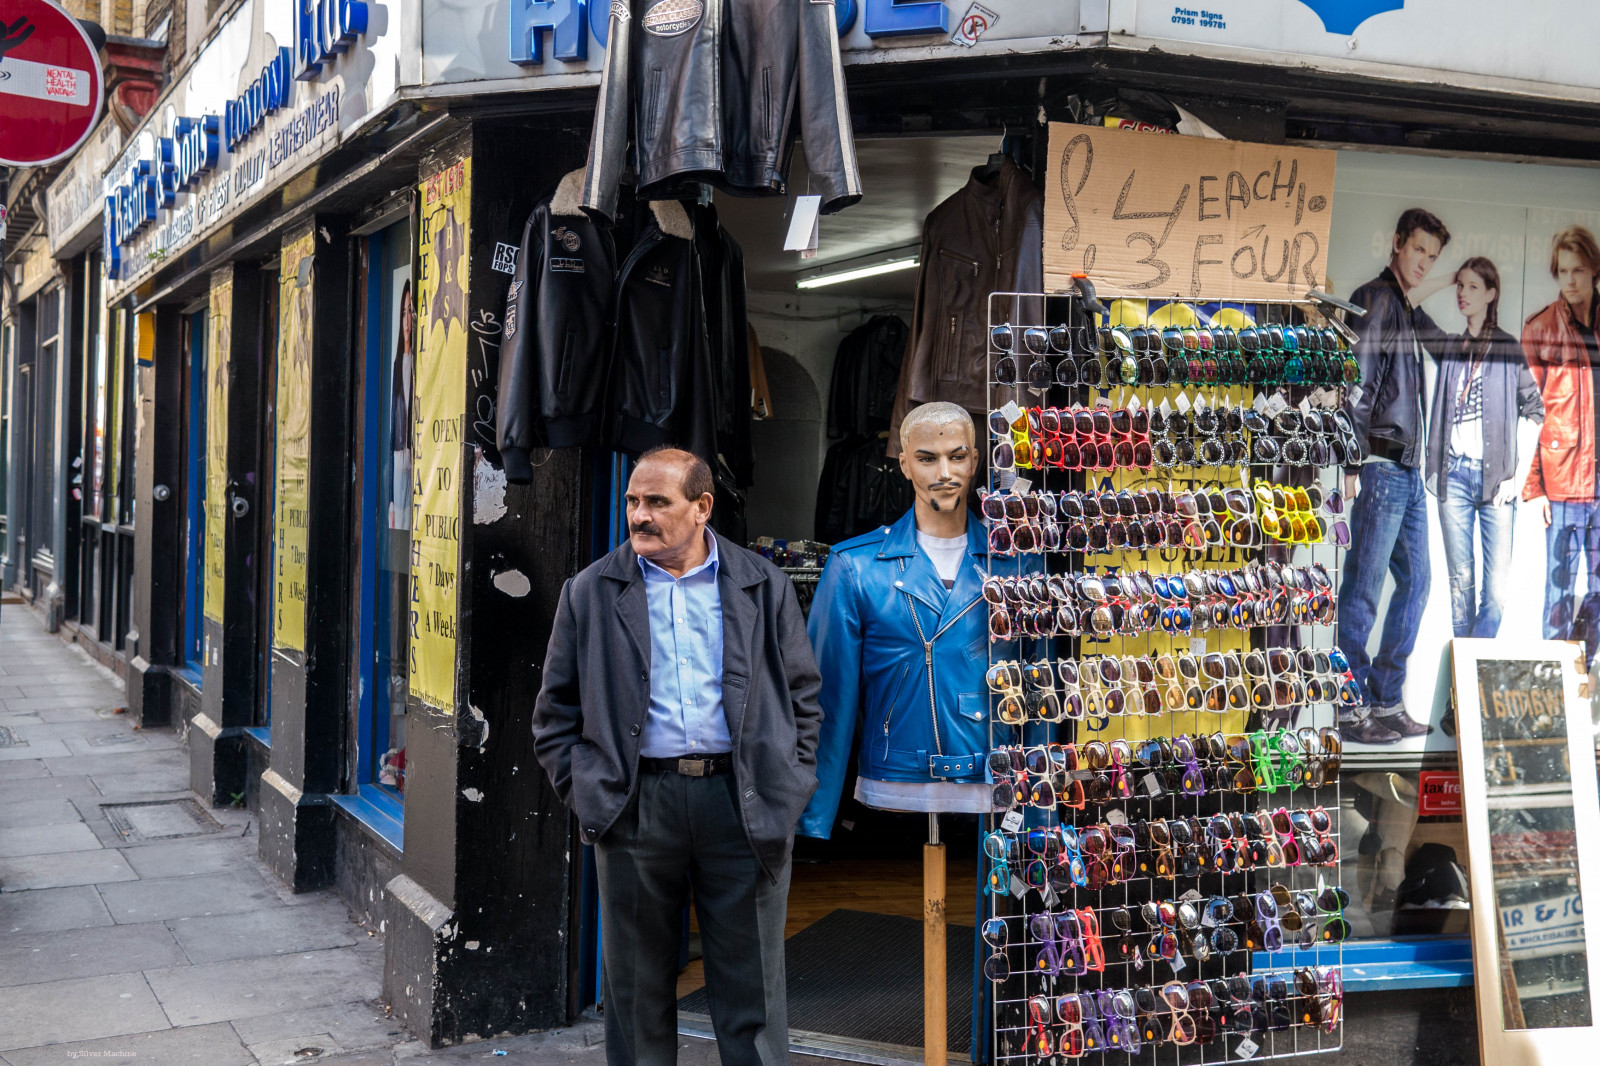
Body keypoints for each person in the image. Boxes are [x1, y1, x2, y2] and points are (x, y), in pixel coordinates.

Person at [531, 446, 823, 1066]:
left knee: (754, 993)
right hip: (637, 806)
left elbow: (803, 693)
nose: (639, 515)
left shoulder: (759, 582)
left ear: (702, 508)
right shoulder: (591, 590)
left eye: (657, 502)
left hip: (742, 802)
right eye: (633, 501)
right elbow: (553, 715)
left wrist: (789, 783)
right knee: (636, 991)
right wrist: (591, 791)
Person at [801, 402, 993, 839]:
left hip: (991, 769)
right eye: (927, 458)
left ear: (976, 461)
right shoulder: (856, 565)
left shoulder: (1014, 565)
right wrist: (815, 812)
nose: (944, 471)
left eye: (957, 456)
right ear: (904, 465)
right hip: (896, 771)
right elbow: (827, 698)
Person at [1337, 208, 1449, 744]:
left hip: (1405, 471)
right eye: (1419, 250)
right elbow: (1357, 382)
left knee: (1418, 583)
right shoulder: (1379, 299)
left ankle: (1383, 699)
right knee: (1363, 591)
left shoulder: (1404, 305)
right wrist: (1352, 461)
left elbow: (1448, 345)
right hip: (1381, 465)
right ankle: (1348, 706)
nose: (1425, 263)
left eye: (1433, 256)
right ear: (1397, 244)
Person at [1424, 257, 1543, 638]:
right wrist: (1446, 278)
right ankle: (1464, 685)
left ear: (1492, 294)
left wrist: (1518, 480)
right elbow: (1409, 304)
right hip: (1454, 478)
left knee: (1495, 595)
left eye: (1473, 286)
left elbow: (1535, 410)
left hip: (1496, 483)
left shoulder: (1508, 348)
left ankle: (1470, 677)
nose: (1462, 293)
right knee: (1461, 585)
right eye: (1460, 286)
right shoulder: (1450, 346)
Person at [1522, 226, 1600, 657]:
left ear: (1594, 271)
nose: (1570, 280)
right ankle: (1556, 690)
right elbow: (1530, 413)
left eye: (1579, 270)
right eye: (1563, 271)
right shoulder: (1542, 328)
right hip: (1565, 483)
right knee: (1558, 594)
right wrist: (1533, 488)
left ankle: (1580, 669)